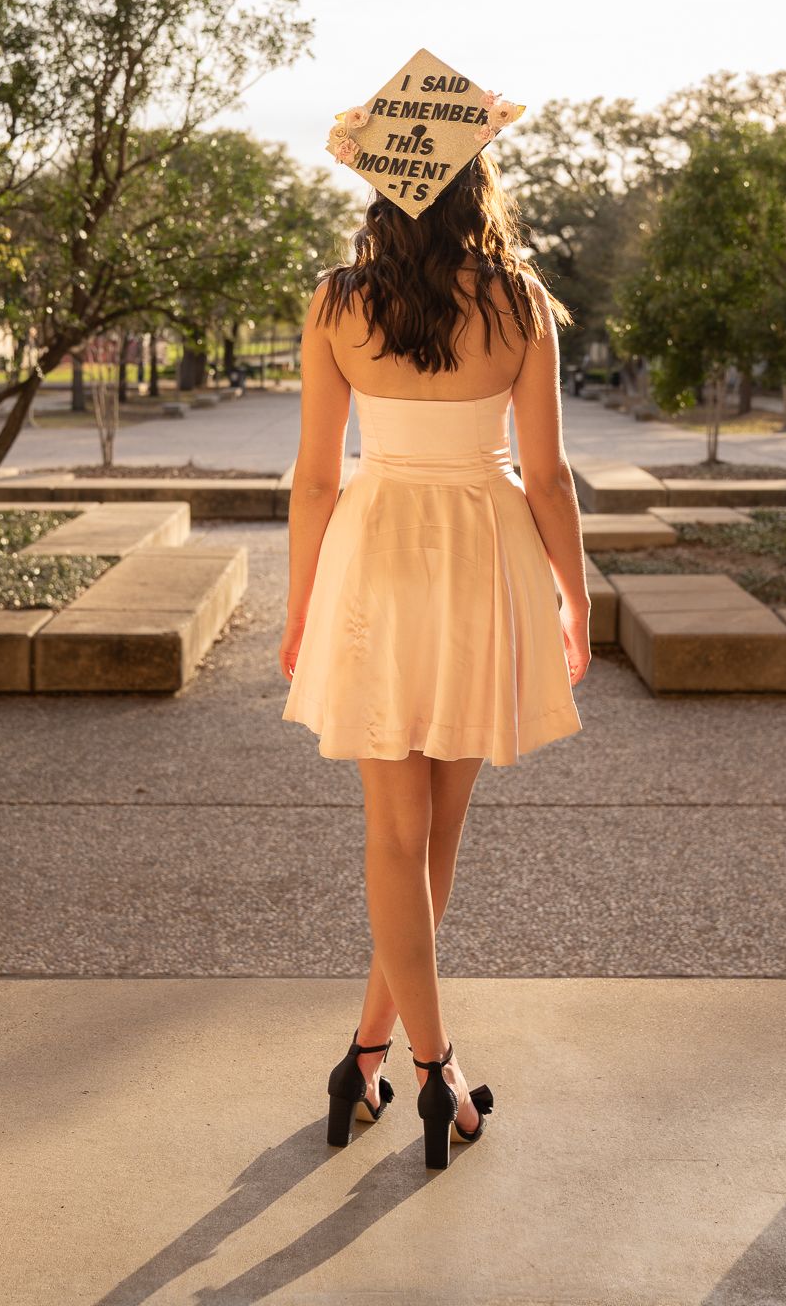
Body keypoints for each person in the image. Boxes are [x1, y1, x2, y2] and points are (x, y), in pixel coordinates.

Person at [278, 70, 591, 1174]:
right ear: (475, 180)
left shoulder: (333, 300)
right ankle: (433, 1069)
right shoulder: (518, 301)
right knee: (436, 834)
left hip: (373, 557)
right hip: (483, 558)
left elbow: (314, 481)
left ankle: (371, 1051)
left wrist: (300, 606)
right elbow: (547, 477)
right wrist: (576, 597)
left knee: (396, 837)